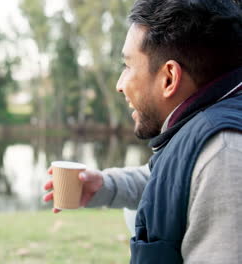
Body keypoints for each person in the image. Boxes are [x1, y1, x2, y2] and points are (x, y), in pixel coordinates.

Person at [44, 0, 242, 262]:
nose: (120, 84)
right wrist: (105, 185)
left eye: (128, 66)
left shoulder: (224, 155)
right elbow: (174, 180)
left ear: (169, 78)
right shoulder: (201, 129)